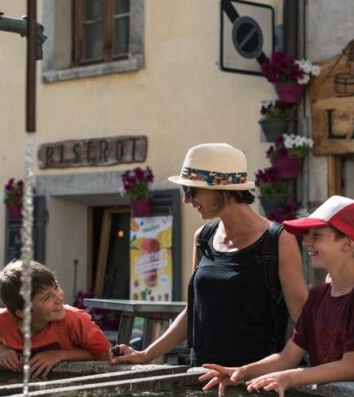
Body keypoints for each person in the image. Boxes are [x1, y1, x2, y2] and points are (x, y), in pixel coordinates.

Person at [111, 143, 308, 367]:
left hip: (255, 386)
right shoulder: (203, 237)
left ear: (220, 189)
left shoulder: (279, 240)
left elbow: (304, 321)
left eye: (191, 190)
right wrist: (146, 354)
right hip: (201, 377)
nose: (186, 199)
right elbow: (192, 311)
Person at [200, 195, 354, 397]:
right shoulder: (317, 297)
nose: (305, 242)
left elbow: (351, 367)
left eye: (317, 236)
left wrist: (290, 378)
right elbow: (287, 357)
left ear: (347, 243)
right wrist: (241, 372)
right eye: (306, 235)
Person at [0, 260, 110, 378]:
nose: (59, 298)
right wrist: (6, 351)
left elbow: (105, 354)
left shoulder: (75, 320)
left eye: (57, 287)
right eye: (47, 297)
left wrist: (60, 355)